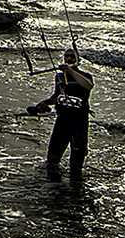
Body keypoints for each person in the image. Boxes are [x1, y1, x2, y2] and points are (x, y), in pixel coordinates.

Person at [25, 48, 94, 176]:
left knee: (76, 164)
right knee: (52, 160)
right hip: (63, 120)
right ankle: (53, 188)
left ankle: (76, 190)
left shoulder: (85, 76)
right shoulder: (59, 77)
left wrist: (71, 71)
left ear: (77, 59)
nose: (69, 59)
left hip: (79, 122)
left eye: (72, 57)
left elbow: (88, 85)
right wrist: (43, 103)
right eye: (66, 57)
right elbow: (56, 95)